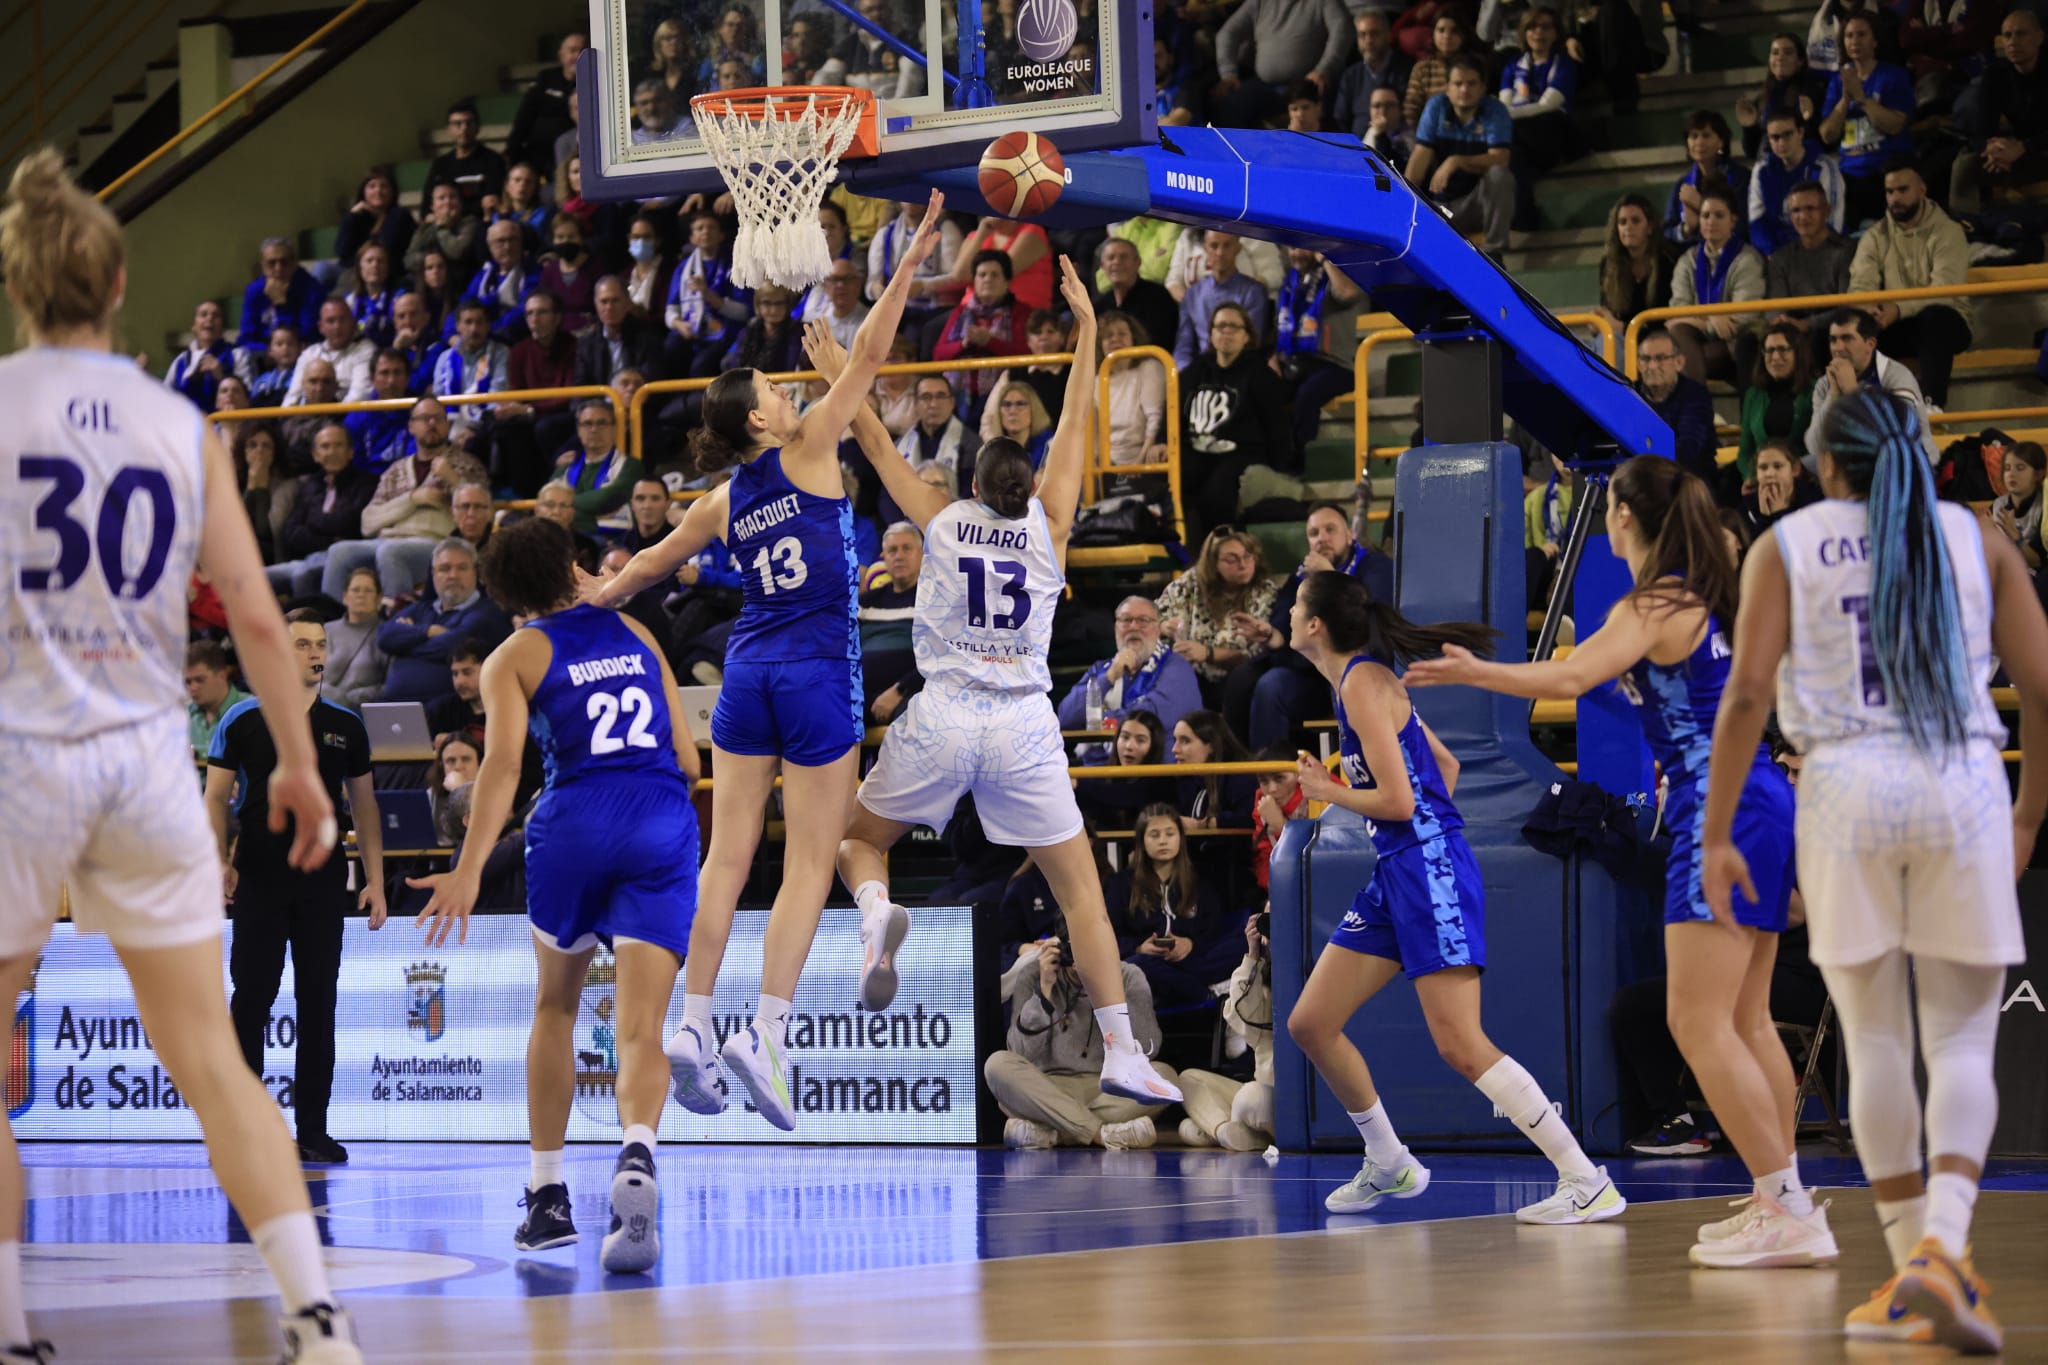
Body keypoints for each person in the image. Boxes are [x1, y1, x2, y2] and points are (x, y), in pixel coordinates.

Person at [582, 191, 952, 1131]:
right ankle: (767, 1032)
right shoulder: (815, 443)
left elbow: (650, 564)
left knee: (727, 856)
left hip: (746, 673)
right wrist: (908, 263)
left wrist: (598, 595)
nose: (791, 394)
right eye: (777, 393)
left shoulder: (720, 499)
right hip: (818, 670)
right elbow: (873, 352)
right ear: (759, 419)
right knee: (810, 861)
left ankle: (692, 1021)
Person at [1701, 390, 2048, 1351]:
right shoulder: (1976, 537)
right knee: (1964, 1041)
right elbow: (2042, 684)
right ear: (1922, 454)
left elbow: (1746, 697)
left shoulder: (1787, 543)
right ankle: (1943, 1248)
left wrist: (1716, 829)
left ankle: (1909, 1267)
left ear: (1822, 465)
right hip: (1959, 779)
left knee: (1878, 1041)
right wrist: (2028, 809)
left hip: (1845, 784)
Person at [1411, 456, 1816, 1266]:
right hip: (1765, 798)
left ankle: (1787, 1206)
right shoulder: (1704, 595)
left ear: (1623, 515)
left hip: (1721, 803)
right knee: (1745, 1019)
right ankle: (1785, 1198)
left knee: (1696, 1021)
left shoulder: (1655, 600)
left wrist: (1474, 671)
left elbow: (1570, 673)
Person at [827, 255, 1183, 1111]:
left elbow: (873, 439)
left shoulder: (942, 520)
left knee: (857, 843)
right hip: (1024, 720)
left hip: (947, 710)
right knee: (1080, 892)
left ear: (974, 487)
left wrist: (842, 367)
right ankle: (1123, 1049)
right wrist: (1087, 331)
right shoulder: (1052, 526)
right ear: (1027, 489)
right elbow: (1078, 422)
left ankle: (875, 913)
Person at [1280, 572, 1623, 1223]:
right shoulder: (1360, 681)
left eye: (1296, 604)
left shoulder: (1360, 685)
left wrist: (1328, 791)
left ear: (1316, 623)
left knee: (1461, 1043)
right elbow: (1446, 766)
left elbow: (1400, 800)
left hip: (1427, 868)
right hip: (1400, 869)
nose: (1289, 613)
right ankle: (1389, 1161)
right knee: (1311, 1023)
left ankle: (1585, 1178)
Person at [410, 516, 702, 1276]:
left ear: (507, 594)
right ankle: (637, 1148)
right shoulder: (636, 632)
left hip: (574, 823)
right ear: (573, 564)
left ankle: (546, 1198)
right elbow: (689, 759)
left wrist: (469, 869)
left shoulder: (513, 655)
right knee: (640, 1027)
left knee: (556, 1008)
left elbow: (504, 768)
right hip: (659, 816)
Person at [206, 608, 386, 1170]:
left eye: (320, 644)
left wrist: (376, 880)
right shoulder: (241, 719)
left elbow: (364, 806)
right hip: (259, 878)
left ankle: (313, 1129)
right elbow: (215, 797)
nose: (314, 653)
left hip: (322, 882)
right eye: (302, 644)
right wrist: (218, 861)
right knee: (251, 1000)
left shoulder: (346, 725)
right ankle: (247, 1130)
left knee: (318, 1004)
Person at [1225, 501, 1395, 751]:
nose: (1322, 538)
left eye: (1330, 530)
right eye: (1314, 533)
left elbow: (1371, 614)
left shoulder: (1374, 565)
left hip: (1359, 664)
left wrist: (1330, 578)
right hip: (1311, 674)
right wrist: (1271, 634)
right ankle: (1270, 769)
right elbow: (1284, 616)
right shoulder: (1303, 574)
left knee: (1346, 680)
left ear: (1349, 535)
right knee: (1268, 685)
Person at [984, 930, 1177, 1150]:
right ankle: (1102, 1133)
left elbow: (1150, 1047)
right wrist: (1044, 992)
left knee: (1166, 1075)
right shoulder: (1033, 975)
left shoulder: (1128, 975)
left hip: (1107, 1088)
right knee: (997, 1065)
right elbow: (1020, 1052)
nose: (1082, 957)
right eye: (1075, 947)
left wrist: (1109, 990)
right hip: (1048, 1088)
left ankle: (1054, 1133)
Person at [1848, 162, 1972, 411]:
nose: (1895, 198)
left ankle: (1932, 406)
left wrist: (1897, 309)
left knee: (1935, 318)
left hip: (1947, 321)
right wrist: (1871, 309)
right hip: (1896, 322)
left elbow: (1944, 292)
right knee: (1843, 332)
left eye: (1903, 190)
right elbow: (1860, 286)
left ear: (1921, 190)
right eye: (1890, 192)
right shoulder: (1874, 236)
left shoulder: (1948, 232)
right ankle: (1856, 413)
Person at [1180, 303, 1294, 538]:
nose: (1226, 332)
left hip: (1240, 452)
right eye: (1220, 326)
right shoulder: (1194, 372)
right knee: (1172, 481)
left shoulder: (1259, 374)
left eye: (1233, 326)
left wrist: (1280, 464)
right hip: (1196, 449)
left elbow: (1275, 423)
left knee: (1217, 493)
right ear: (1211, 334)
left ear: (1247, 336)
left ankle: (1223, 547)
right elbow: (1174, 414)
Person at [1106, 804, 1236, 1010]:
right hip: (1151, 963)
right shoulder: (1122, 884)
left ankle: (1191, 987)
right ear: (1142, 841)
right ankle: (1205, 993)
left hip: (1192, 960)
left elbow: (1213, 929)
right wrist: (1139, 947)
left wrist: (1190, 944)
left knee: (1242, 943)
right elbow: (1110, 934)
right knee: (1136, 965)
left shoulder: (1199, 881)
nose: (1163, 841)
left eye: (1170, 834)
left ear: (1180, 839)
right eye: (1154, 835)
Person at [1179, 912, 1278, 1150]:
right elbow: (1242, 1018)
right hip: (1260, 1091)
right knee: (1188, 1080)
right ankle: (1225, 1130)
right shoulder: (1261, 983)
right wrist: (1253, 955)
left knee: (1250, 1097)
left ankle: (1220, 1130)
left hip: (1282, 1101)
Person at [376, 538, 513, 704]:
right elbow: (384, 637)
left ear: (475, 573)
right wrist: (428, 631)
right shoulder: (420, 609)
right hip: (393, 707)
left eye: (462, 568)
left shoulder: (488, 613)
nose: (453, 575)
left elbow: (452, 647)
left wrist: (404, 645)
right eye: (445, 568)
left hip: (447, 712)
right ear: (433, 574)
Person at [1407, 54, 1516, 255]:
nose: (1464, 90)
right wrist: (1403, 201)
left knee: (1499, 175)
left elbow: (1501, 158)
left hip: (1477, 205)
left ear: (1483, 87)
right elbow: (1420, 157)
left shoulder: (1495, 110)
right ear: (1447, 88)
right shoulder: (1436, 107)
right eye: (1458, 84)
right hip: (1441, 205)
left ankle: (1494, 250)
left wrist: (1456, 161)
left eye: (1471, 83)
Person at [1057, 595, 1204, 736]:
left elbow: (1148, 719)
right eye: (1126, 620)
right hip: (1098, 754)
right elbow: (1065, 718)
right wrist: (1109, 677)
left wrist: (1096, 721)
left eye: (1143, 620)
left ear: (1158, 630)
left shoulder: (1177, 668)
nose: (1133, 627)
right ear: (1116, 628)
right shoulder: (1101, 669)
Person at [1818, 13, 1914, 229]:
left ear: (1875, 40)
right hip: (1849, 175)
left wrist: (1861, 98)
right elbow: (1827, 135)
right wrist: (1845, 100)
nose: (1855, 41)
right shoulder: (1837, 82)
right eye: (1849, 36)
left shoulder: (1893, 75)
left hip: (1886, 170)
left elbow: (1895, 125)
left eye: (1861, 34)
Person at [1807, 307, 1936, 466]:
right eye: (1833, 340)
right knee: (1804, 467)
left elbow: (1897, 439)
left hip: (1908, 464)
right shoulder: (1825, 384)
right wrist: (1833, 395)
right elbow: (1814, 446)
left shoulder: (1896, 377)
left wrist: (1853, 393)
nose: (1838, 348)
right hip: (1855, 464)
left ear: (1870, 344)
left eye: (1847, 339)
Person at [1666, 184, 1765, 391]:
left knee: (1683, 358)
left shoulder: (1747, 259)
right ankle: (1695, 405)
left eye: (1719, 215)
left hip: (1735, 342)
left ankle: (1694, 406)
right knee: (1678, 333)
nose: (1711, 221)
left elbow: (1742, 317)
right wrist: (1712, 320)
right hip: (1696, 339)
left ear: (1733, 220)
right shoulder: (1688, 260)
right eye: (1705, 216)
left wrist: (1700, 321)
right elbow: (1677, 312)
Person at [1157, 528, 1279, 695]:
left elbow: (1254, 655)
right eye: (1232, 560)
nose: (1243, 565)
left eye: (1248, 557)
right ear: (1213, 564)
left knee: (1243, 676)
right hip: (1195, 673)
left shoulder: (1265, 590)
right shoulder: (1190, 583)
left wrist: (1208, 654)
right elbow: (1153, 615)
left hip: (1241, 673)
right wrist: (1164, 626)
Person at [1950, 8, 2048, 215]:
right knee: (1964, 166)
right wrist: (1992, 149)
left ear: (2039, 37)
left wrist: (2023, 147)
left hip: (2037, 148)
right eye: (2007, 35)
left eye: (2021, 34)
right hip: (2016, 155)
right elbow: (1981, 128)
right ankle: (1966, 227)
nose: (2012, 41)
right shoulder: (1996, 74)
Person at [267, 423, 377, 598]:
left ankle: (314, 616)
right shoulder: (310, 485)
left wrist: (313, 523)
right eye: (325, 446)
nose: (332, 452)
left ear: (350, 452)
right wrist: (331, 538)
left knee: (303, 576)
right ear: (315, 455)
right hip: (307, 558)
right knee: (259, 577)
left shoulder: (367, 483)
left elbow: (348, 522)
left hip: (345, 560)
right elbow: (290, 532)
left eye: (338, 445)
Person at [1500, 7, 1579, 232]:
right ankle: (1525, 216)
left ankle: (1522, 217)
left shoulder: (1564, 63)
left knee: (1514, 145)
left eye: (1546, 27)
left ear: (1556, 33)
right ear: (1524, 32)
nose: (1539, 33)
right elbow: (1505, 102)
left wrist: (1504, 117)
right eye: (1533, 27)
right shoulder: (1514, 64)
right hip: (1521, 136)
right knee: (1514, 156)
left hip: (1552, 132)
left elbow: (1547, 106)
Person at [933, 248, 1033, 420]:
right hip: (959, 395)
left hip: (1003, 395)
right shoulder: (960, 312)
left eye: (995, 275)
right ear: (974, 281)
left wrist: (990, 342)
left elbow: (1025, 355)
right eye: (982, 275)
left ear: (1007, 281)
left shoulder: (1021, 312)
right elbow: (938, 355)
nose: (987, 279)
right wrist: (963, 344)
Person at [1748, 111, 1845, 254]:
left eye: (1787, 135)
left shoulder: (1823, 167)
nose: (1781, 143)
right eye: (1775, 137)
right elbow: (1756, 222)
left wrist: (1801, 257)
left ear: (1800, 133)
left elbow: (1832, 223)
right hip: (1776, 252)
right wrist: (1771, 252)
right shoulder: (1761, 169)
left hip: (1819, 249)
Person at [1633, 324, 1718, 484]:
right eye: (1646, 359)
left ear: (1679, 362)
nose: (1652, 366)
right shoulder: (1630, 394)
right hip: (1642, 479)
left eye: (1660, 358)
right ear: (1638, 364)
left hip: (1689, 481)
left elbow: (1688, 451)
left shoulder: (1696, 395)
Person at [1072, 710, 1178, 832]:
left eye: (1140, 740)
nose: (1129, 746)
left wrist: (1079, 783)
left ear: (1154, 746)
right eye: (1125, 737)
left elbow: (1123, 795)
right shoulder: (1109, 772)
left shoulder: (1163, 780)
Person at [859, 521, 923, 718]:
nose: (899, 556)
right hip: (859, 697)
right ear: (884, 558)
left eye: (907, 548)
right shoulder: (865, 603)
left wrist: (900, 689)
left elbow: (938, 659)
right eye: (892, 550)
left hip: (909, 694)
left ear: (922, 555)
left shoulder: (933, 601)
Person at [1739, 321, 1815, 483]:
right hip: (1762, 479)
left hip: (1803, 478)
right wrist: (1753, 477)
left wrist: (1787, 476)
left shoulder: (1814, 391)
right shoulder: (1753, 394)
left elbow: (1817, 450)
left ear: (1798, 353)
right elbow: (1745, 452)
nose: (1775, 357)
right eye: (1769, 350)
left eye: (1782, 349)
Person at [1737, 33, 1829, 161]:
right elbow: (1751, 152)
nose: (1780, 57)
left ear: (1800, 61)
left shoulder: (1813, 92)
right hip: (1770, 168)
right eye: (1775, 53)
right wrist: (1749, 127)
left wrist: (1809, 121)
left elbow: (1826, 143)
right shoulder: (1762, 99)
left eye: (1788, 53)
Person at [1663, 109, 1749, 244]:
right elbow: (1667, 232)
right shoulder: (1682, 184)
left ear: (1721, 142)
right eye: (1694, 136)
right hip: (1692, 253)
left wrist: (1701, 206)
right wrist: (1687, 229)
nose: (1699, 142)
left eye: (1706, 135)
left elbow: (1743, 227)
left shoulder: (1740, 179)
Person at [506, 31, 584, 177]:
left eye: (582, 51)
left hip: (573, 154)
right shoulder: (545, 79)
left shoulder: (594, 82)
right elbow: (523, 118)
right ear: (561, 55)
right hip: (539, 155)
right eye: (572, 51)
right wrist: (511, 151)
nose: (577, 56)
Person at [1597, 193, 1680, 327]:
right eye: (1622, 222)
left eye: (1635, 221)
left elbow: (1667, 319)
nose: (1628, 227)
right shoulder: (1608, 264)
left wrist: (1622, 328)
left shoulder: (1668, 260)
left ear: (1650, 227)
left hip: (1661, 335)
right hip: (1621, 335)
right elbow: (1609, 314)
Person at [1332, 8, 1416, 140]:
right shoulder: (1351, 75)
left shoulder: (1408, 69)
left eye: (1374, 33)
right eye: (1362, 35)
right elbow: (1341, 120)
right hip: (1357, 146)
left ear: (1389, 36)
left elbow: (1412, 115)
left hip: (1398, 145)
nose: (1368, 40)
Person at [237, 236, 324, 354]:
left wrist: (281, 304)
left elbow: (308, 335)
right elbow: (246, 336)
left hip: (299, 352)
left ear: (294, 263)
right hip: (265, 353)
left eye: (284, 262)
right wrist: (267, 351)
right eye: (271, 263)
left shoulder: (312, 289)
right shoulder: (254, 290)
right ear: (263, 266)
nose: (278, 268)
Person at [321, 567, 390, 708]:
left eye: (368, 590)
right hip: (320, 707)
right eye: (355, 590)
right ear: (345, 597)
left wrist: (348, 698)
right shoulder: (326, 630)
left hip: (359, 710)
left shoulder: (387, 634)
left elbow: (391, 686)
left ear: (379, 598)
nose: (361, 595)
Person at [427, 98, 508, 215]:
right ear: (449, 129)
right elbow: (427, 203)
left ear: (478, 127)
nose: (464, 128)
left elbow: (492, 201)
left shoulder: (493, 160)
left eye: (469, 123)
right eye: (458, 124)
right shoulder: (441, 164)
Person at [1739, 439, 1823, 537]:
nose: (1769, 474)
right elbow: (1754, 544)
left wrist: (1780, 513)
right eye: (1763, 467)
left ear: (1795, 469)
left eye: (1778, 466)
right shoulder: (1748, 506)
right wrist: (1765, 518)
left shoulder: (1815, 500)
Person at [185, 640, 250, 760]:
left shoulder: (251, 711)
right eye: (188, 682)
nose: (193, 688)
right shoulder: (184, 714)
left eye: (200, 680)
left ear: (222, 676)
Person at [1989, 440, 2045, 574]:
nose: (2011, 474)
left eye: (2020, 468)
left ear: (2038, 474)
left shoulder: (2043, 507)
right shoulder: (1998, 505)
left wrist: (2015, 537)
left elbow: (2038, 562)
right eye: (2007, 468)